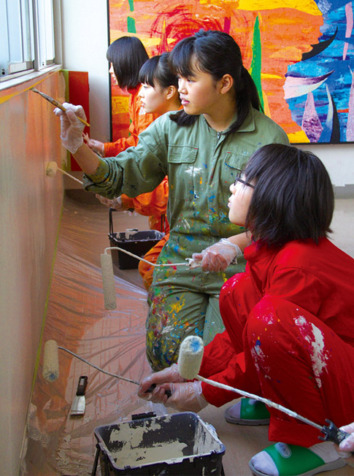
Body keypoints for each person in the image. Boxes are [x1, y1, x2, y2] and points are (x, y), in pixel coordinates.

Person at [54, 29, 289, 371]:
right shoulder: (170, 128)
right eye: (178, 77)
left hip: (242, 265)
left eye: (189, 79)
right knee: (168, 353)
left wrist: (232, 247)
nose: (179, 87)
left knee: (217, 358)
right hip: (181, 260)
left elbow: (280, 222)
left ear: (224, 83)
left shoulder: (269, 139)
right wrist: (77, 146)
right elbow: (121, 176)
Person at [138, 144, 354, 476]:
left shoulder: (297, 265)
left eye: (243, 180)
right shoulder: (271, 251)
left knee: (270, 321)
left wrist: (204, 393)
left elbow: (264, 341)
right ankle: (277, 401)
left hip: (346, 390)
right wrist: (187, 371)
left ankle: (316, 440)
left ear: (271, 197)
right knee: (236, 291)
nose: (232, 187)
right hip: (330, 369)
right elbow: (241, 340)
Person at [99, 53, 182, 289]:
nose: (140, 93)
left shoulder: (178, 130)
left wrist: (125, 198)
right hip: (165, 218)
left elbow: (175, 190)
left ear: (170, 92)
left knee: (150, 267)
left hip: (180, 222)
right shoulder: (162, 126)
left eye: (146, 86)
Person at [86, 36, 154, 157]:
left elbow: (146, 149)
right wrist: (104, 147)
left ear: (125, 63)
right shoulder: (135, 94)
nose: (110, 71)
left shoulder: (144, 97)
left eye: (113, 65)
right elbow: (136, 141)